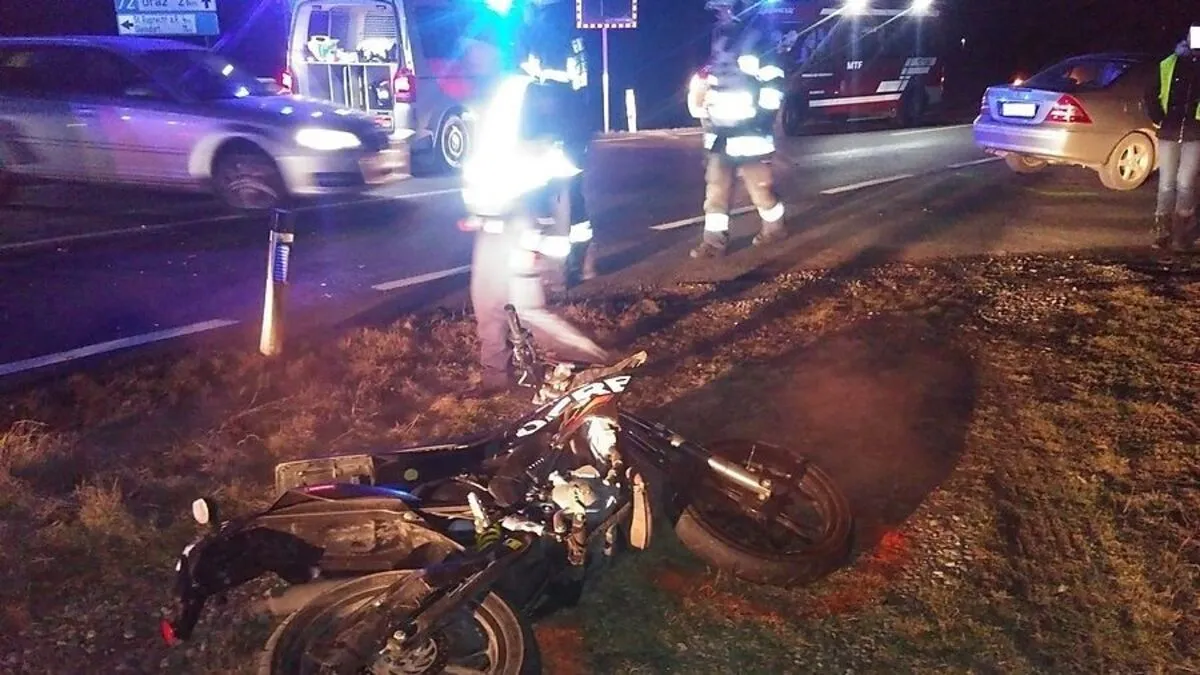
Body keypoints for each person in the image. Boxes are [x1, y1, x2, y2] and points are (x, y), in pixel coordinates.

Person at [462, 0, 608, 395]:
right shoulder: (489, 98)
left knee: (528, 310)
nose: (468, 54)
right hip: (493, 220)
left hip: (521, 221)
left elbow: (557, 169)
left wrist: (545, 235)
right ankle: (495, 378)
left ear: (497, 53)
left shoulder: (527, 95)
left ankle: (596, 367)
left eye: (476, 48)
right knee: (487, 306)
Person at [687, 0, 789, 259]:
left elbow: (773, 81)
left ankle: (775, 228)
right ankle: (713, 243)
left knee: (760, 188)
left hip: (749, 131)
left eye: (723, 8)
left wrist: (763, 120)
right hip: (721, 129)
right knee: (716, 186)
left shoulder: (757, 37)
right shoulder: (720, 35)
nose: (719, 14)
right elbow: (717, 74)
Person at [1144, 29, 1200, 251]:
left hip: (1195, 132)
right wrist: (1159, 117)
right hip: (1170, 130)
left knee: (1185, 183)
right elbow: (1151, 93)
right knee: (1166, 183)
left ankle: (1181, 232)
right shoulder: (1170, 63)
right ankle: (1162, 231)